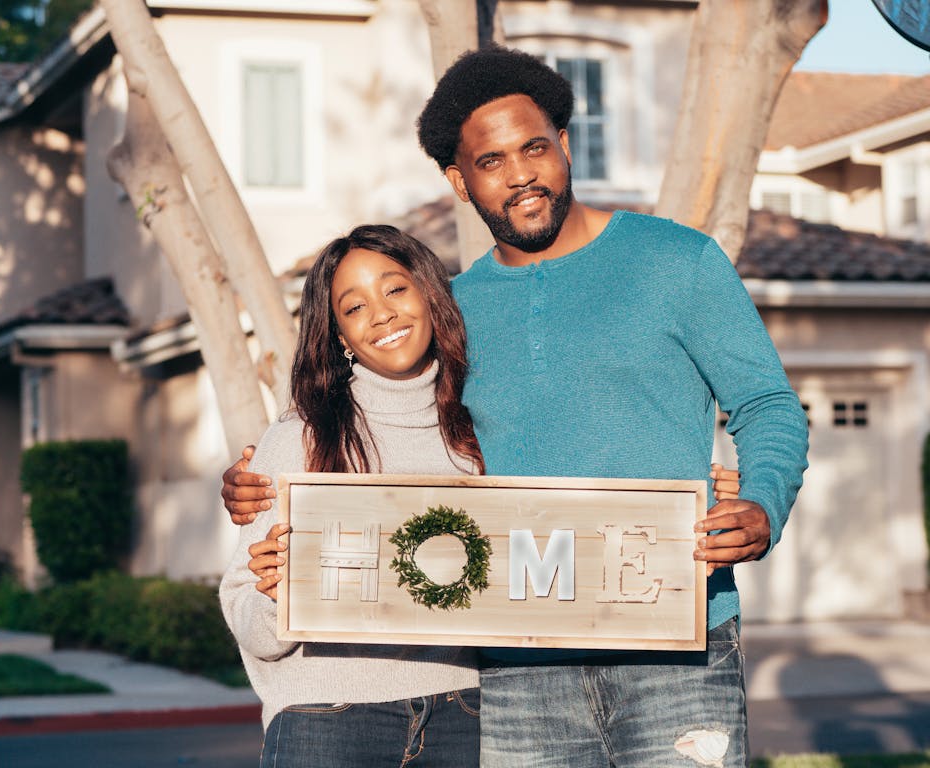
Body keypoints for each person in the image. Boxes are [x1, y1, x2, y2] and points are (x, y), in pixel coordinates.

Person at [223, 46, 806, 768]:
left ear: (564, 143)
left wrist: (760, 502)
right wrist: (263, 479)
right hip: (514, 665)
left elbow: (768, 403)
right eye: (491, 161)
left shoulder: (678, 262)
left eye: (534, 147)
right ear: (459, 181)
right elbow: (372, 408)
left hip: (677, 641)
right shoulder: (452, 311)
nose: (521, 173)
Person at [219, 225, 484, 768]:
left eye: (395, 289)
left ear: (431, 296)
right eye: (354, 306)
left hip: (465, 715)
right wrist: (274, 595)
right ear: (339, 334)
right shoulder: (302, 435)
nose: (381, 314)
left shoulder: (481, 433)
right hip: (327, 718)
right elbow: (249, 615)